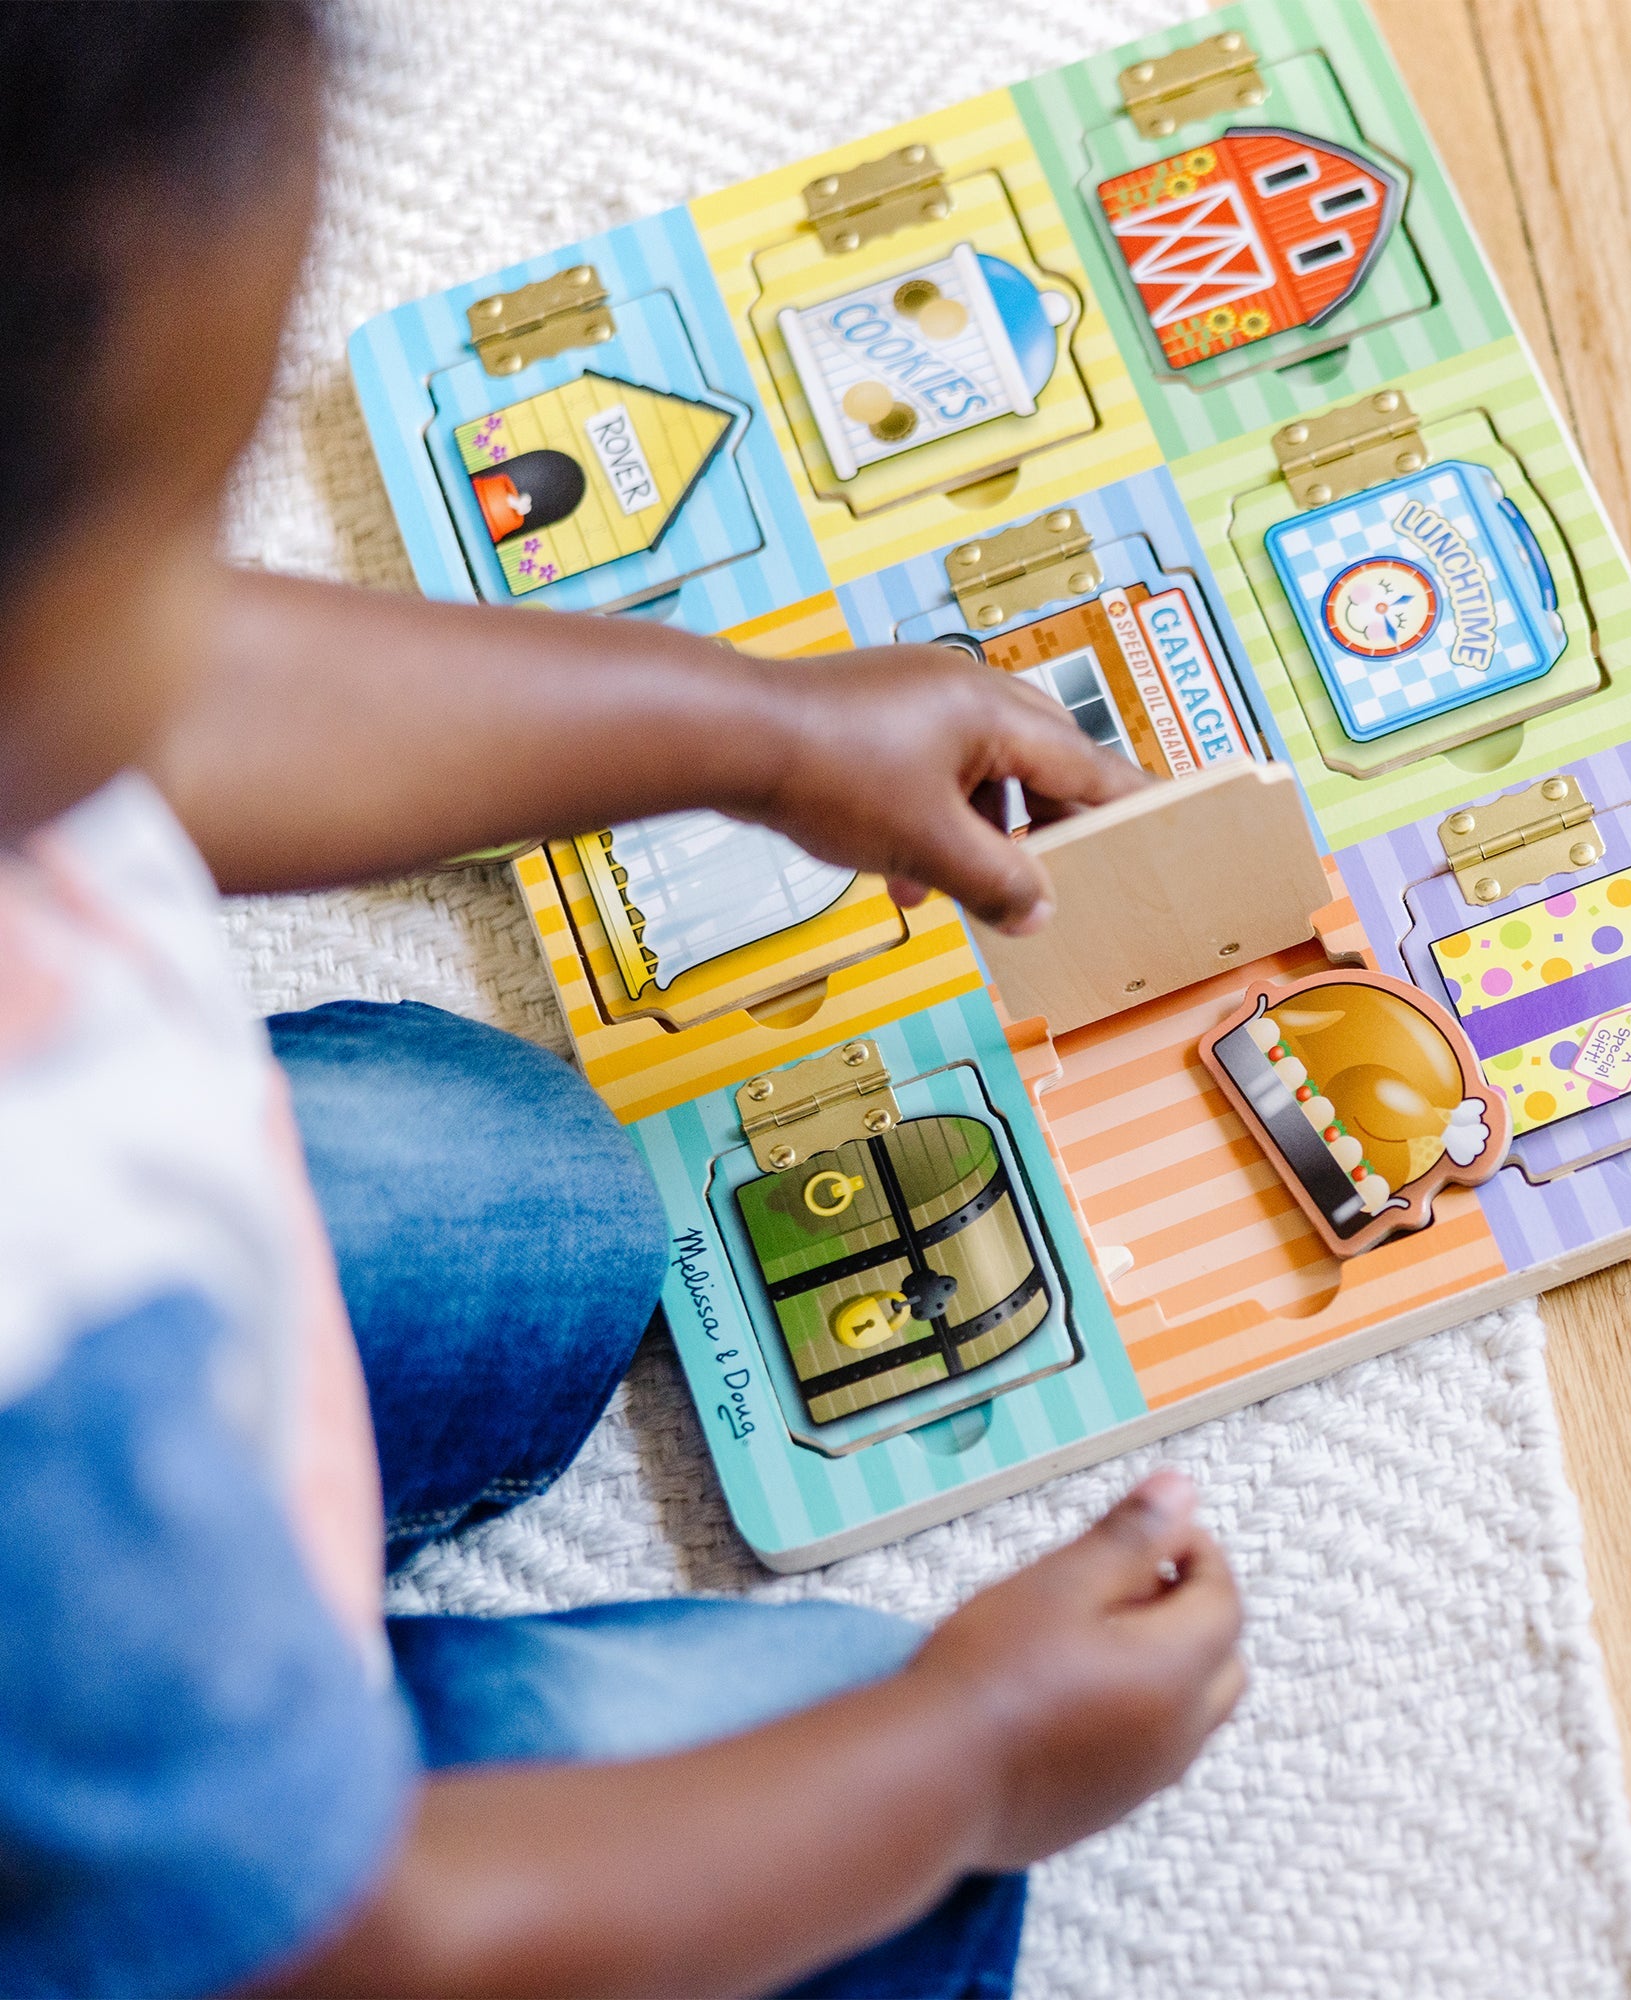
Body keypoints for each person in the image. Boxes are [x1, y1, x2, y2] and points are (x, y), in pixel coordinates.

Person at [0, 6, 1246, 1997]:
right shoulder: (60, 1377)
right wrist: (965, 1762)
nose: (200, 608)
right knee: (858, 1810)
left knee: (522, 1185)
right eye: (162, 541)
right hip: (208, 1874)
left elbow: (177, 696)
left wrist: (752, 732)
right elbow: (354, 1953)